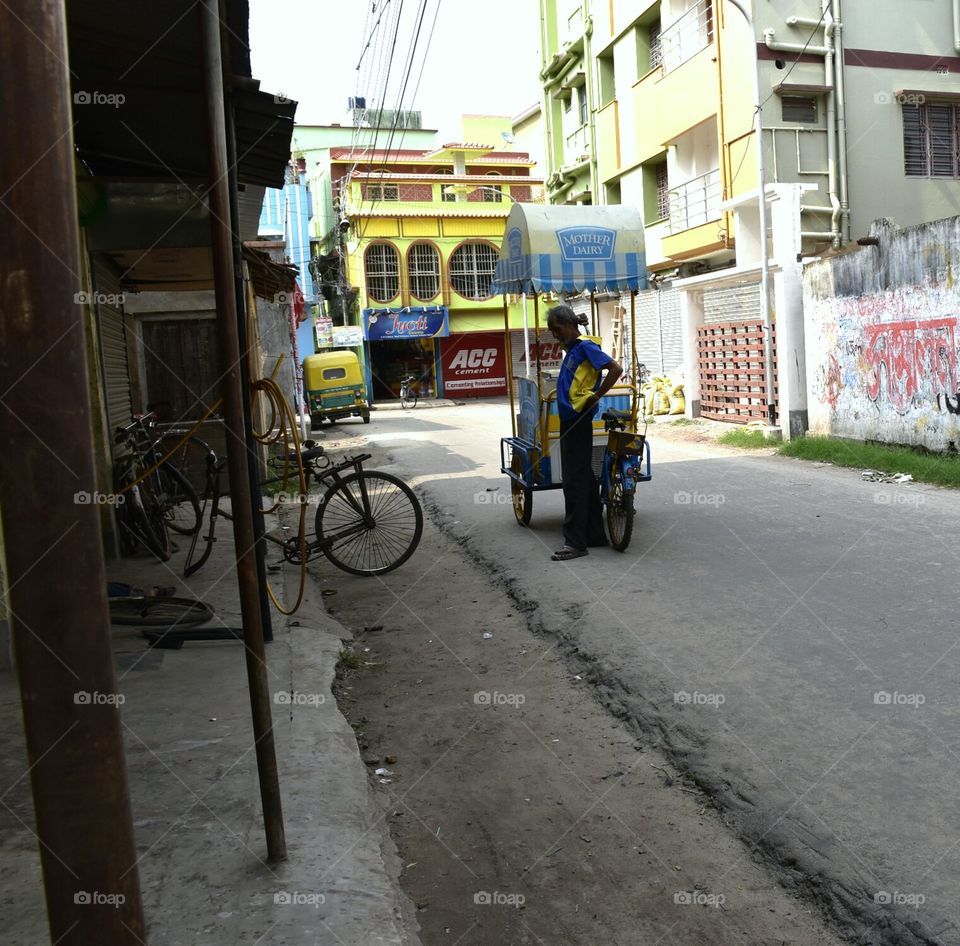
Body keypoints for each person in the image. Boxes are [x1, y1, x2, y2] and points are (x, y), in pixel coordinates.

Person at [546, 304, 623, 562]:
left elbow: (615, 369)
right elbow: (573, 335)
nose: (554, 335)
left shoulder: (586, 347)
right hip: (572, 419)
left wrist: (597, 396)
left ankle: (575, 543)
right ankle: (594, 534)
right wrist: (575, 321)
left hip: (578, 418)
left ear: (568, 326)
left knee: (574, 481)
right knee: (585, 478)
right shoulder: (575, 347)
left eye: (556, 329)